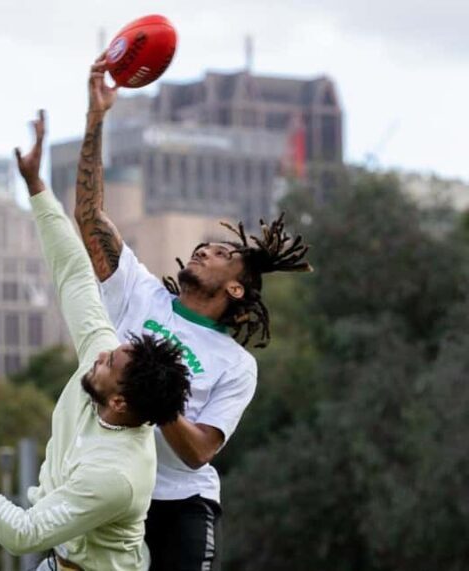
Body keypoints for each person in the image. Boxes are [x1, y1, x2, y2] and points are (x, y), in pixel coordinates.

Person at [0, 110, 192, 571]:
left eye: (108, 365)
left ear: (120, 402)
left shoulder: (116, 475)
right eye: (111, 352)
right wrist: (37, 188)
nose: (100, 356)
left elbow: (22, 535)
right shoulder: (103, 367)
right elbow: (75, 276)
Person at [75, 54, 314, 571]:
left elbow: (199, 451)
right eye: (207, 245)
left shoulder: (235, 365)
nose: (206, 249)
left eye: (223, 254)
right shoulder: (137, 292)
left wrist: (158, 399)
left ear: (234, 289)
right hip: (111, 481)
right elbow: (90, 217)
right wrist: (96, 121)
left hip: (181, 503)